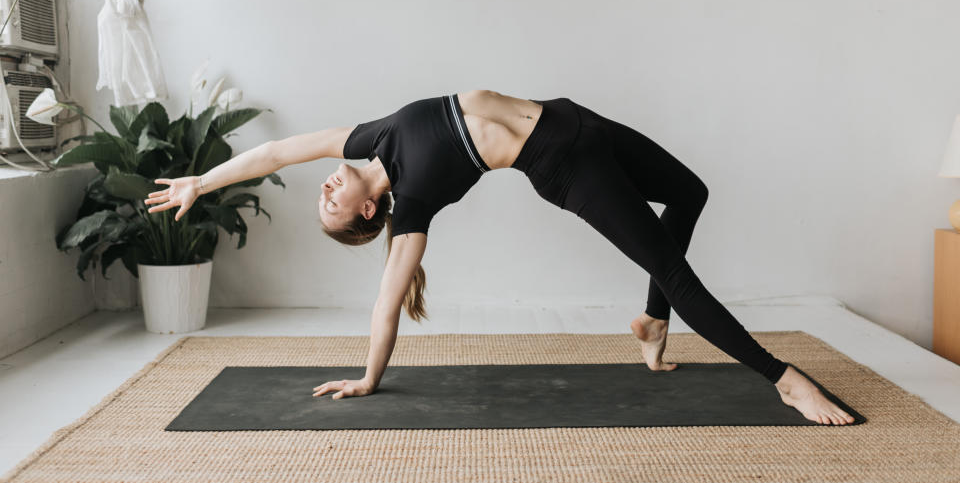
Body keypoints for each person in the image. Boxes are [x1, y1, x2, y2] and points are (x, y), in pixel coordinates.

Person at [144, 89, 855, 425]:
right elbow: (387, 299)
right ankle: (783, 378)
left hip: (578, 120)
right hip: (568, 167)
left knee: (691, 193)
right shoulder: (412, 208)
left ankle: (651, 322)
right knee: (676, 267)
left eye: (324, 190)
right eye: (329, 203)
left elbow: (274, 150)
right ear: (367, 212)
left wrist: (202, 181)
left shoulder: (370, 135)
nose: (325, 186)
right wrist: (367, 376)